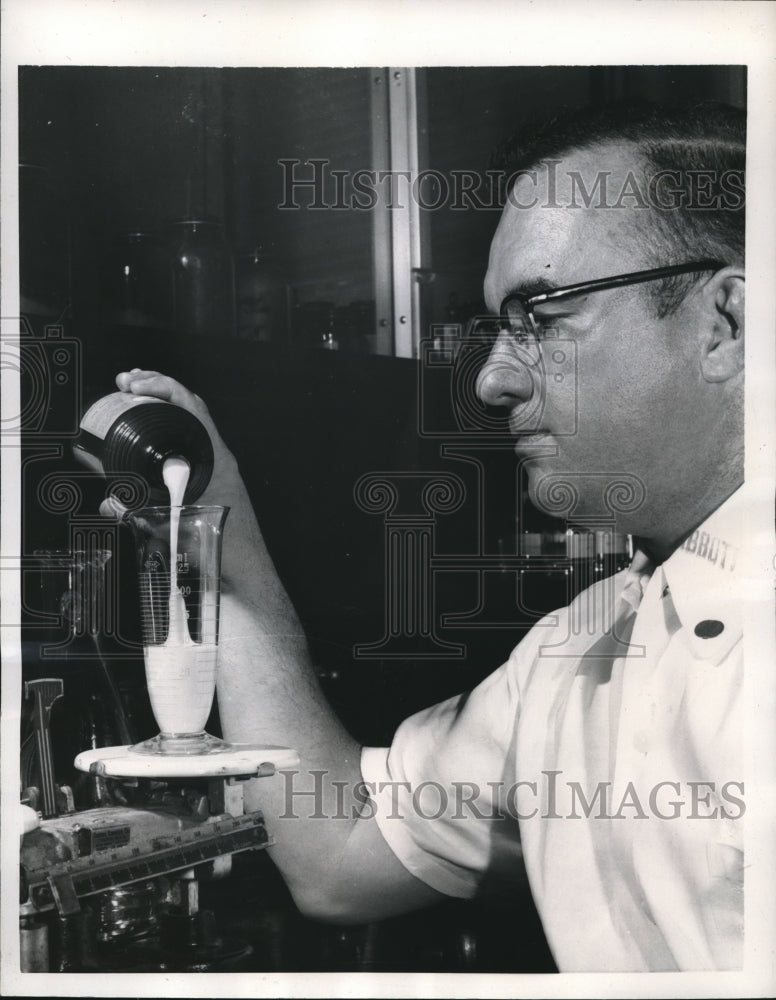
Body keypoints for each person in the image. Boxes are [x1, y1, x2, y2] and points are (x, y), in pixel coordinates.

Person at [108, 102, 748, 972]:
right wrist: (218, 526)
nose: (491, 382)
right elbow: (342, 848)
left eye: (544, 317)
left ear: (726, 325)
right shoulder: (580, 649)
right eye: (498, 328)